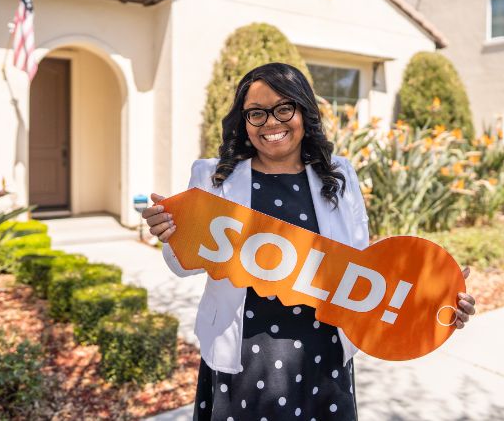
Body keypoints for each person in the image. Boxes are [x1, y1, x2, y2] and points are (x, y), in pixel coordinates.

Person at [142, 62, 477, 420]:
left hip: (325, 352)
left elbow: (362, 264)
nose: (271, 123)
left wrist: (435, 303)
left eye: (284, 108)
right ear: (244, 121)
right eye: (257, 113)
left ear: (304, 111)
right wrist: (171, 235)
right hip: (243, 352)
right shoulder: (214, 176)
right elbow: (181, 266)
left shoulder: (339, 174)